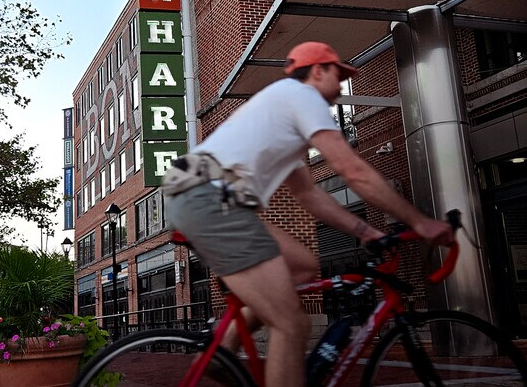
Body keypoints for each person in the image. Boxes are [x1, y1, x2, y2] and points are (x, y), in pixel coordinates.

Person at [162, 41, 454, 387]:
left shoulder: (282, 111)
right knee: (291, 323)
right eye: (337, 76)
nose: (341, 87)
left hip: (203, 192)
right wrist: (420, 222)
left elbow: (308, 194)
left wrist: (365, 232)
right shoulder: (303, 96)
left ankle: (221, 351)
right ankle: (236, 349)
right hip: (208, 195)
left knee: (302, 265)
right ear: (317, 71)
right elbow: (352, 170)